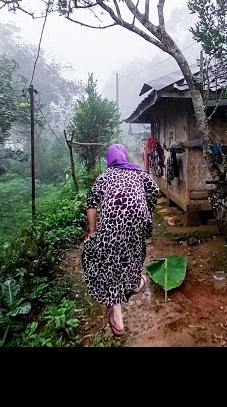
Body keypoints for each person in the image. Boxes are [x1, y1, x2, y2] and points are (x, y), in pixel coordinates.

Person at [82, 143, 159, 336]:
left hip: (112, 225)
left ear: (110, 159)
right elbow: (155, 191)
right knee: (133, 252)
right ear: (124, 157)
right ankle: (134, 284)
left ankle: (118, 320)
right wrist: (147, 211)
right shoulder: (139, 174)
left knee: (108, 262)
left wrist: (92, 231)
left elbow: (91, 203)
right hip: (137, 221)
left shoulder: (105, 177)